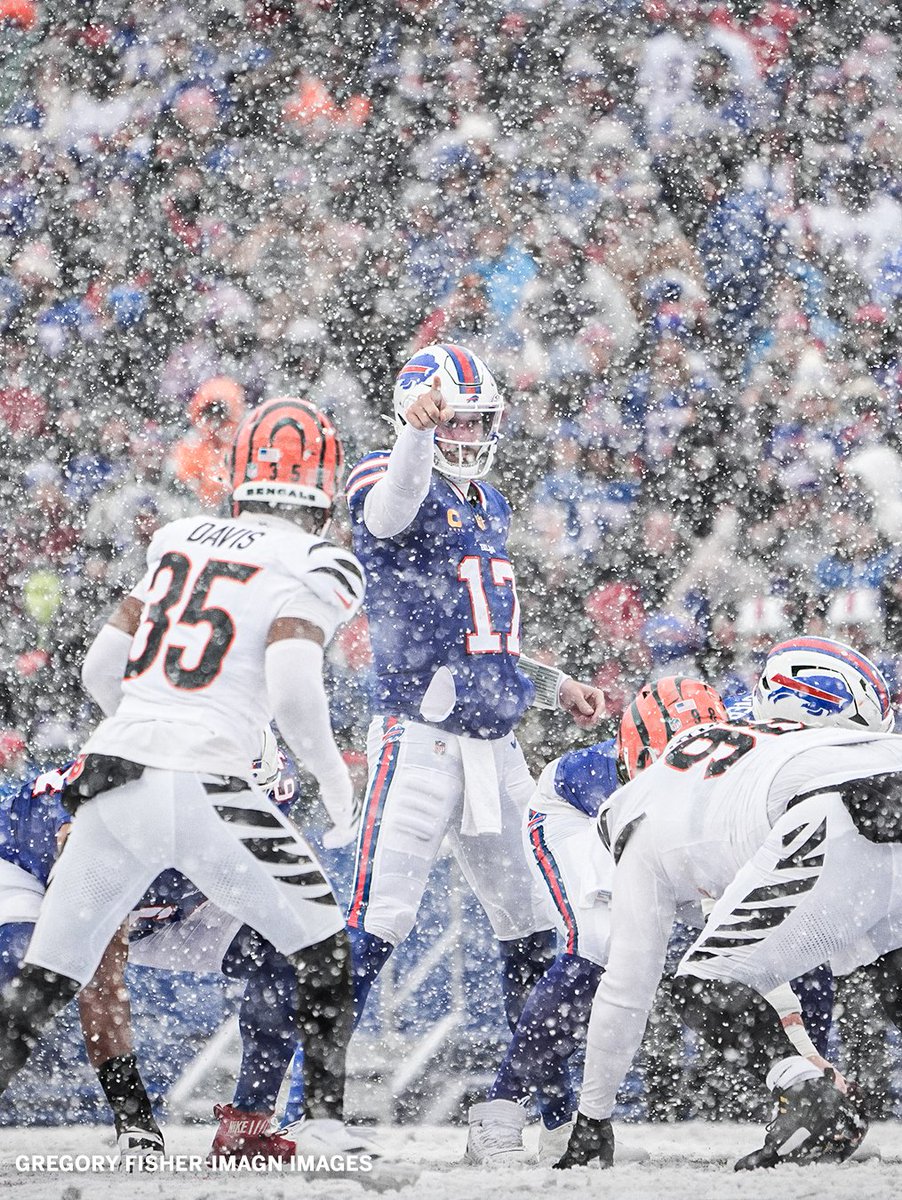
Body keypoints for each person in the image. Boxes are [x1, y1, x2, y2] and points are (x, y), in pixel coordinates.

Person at [0, 397, 366, 1160]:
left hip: (117, 774)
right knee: (324, 948)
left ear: (238, 479)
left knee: (45, 981)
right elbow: (296, 688)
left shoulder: (178, 537)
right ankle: (327, 1128)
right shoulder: (317, 559)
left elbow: (100, 669)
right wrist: (334, 779)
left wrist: (147, 723)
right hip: (207, 775)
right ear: (326, 490)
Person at [344, 343, 605, 1045]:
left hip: (496, 744)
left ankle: (528, 1103)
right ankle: (310, 1106)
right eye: (454, 421)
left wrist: (551, 683)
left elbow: (485, 629)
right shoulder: (389, 472)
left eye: (476, 421)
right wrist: (415, 434)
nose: (468, 435)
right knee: (378, 921)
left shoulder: (490, 503)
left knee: (535, 927)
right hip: (419, 737)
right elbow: (388, 515)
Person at [558, 636, 897, 1171]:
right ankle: (811, 1091)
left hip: (836, 810)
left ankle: (812, 1103)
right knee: (886, 963)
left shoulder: (635, 811)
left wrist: (592, 1119)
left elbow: (627, 987)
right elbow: (829, 928)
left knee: (701, 985)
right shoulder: (766, 737)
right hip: (878, 782)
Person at [468, 677, 833, 1165]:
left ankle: (816, 1097)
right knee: (599, 948)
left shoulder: (745, 754)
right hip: (578, 823)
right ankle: (500, 1108)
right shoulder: (607, 785)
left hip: (688, 831)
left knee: (797, 932)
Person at [0, 731, 310, 1164]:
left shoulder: (268, 778)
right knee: (21, 976)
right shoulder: (111, 814)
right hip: (26, 871)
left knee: (290, 952)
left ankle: (246, 1129)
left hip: (163, 897)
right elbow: (100, 981)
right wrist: (135, 1117)